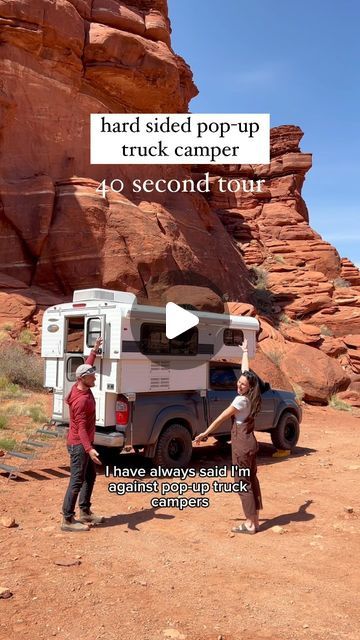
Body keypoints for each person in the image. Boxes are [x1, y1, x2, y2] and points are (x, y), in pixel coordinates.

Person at [195, 338, 262, 534]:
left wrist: (205, 433)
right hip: (250, 443)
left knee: (242, 483)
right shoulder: (253, 396)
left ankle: (249, 524)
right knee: (251, 479)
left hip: (241, 445)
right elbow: (245, 372)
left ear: (248, 387)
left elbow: (221, 418)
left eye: (242, 384)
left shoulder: (240, 401)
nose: (239, 385)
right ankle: (255, 520)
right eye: (239, 382)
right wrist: (244, 352)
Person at [61, 336, 105, 532]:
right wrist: (89, 449)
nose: (95, 378)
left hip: (82, 444)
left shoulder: (78, 385)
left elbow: (86, 365)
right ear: (83, 379)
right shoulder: (81, 401)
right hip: (79, 444)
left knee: (89, 477)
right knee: (77, 480)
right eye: (92, 376)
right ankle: (67, 520)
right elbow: (80, 428)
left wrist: (94, 350)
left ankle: (85, 512)